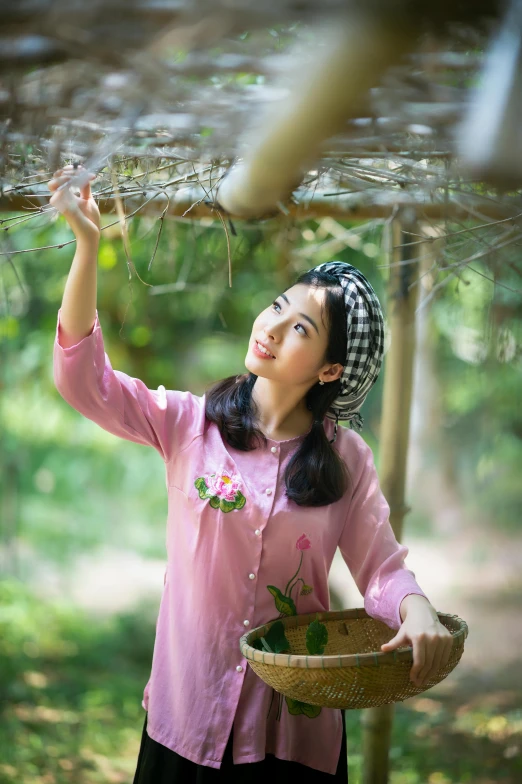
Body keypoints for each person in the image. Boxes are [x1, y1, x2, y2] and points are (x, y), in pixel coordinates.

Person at [47, 165, 453, 782]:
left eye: (300, 329)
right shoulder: (188, 424)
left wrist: (416, 609)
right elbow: (84, 380)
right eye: (278, 306)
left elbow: (382, 570)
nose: (270, 325)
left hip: (294, 731)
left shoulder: (347, 461)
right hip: (188, 719)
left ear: (329, 370)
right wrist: (88, 245)